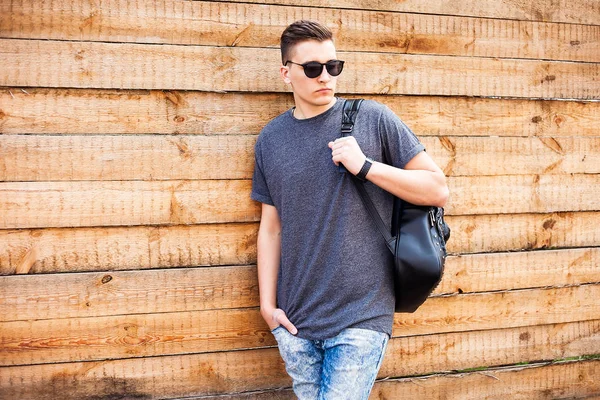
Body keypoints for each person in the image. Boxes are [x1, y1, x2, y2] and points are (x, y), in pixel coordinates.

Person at [251, 20, 448, 399]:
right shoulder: (271, 140)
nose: (324, 76)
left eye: (333, 66)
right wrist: (268, 307)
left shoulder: (372, 119)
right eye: (311, 68)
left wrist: (366, 166)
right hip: (295, 320)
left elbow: (437, 189)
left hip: (361, 314)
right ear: (286, 73)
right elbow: (271, 227)